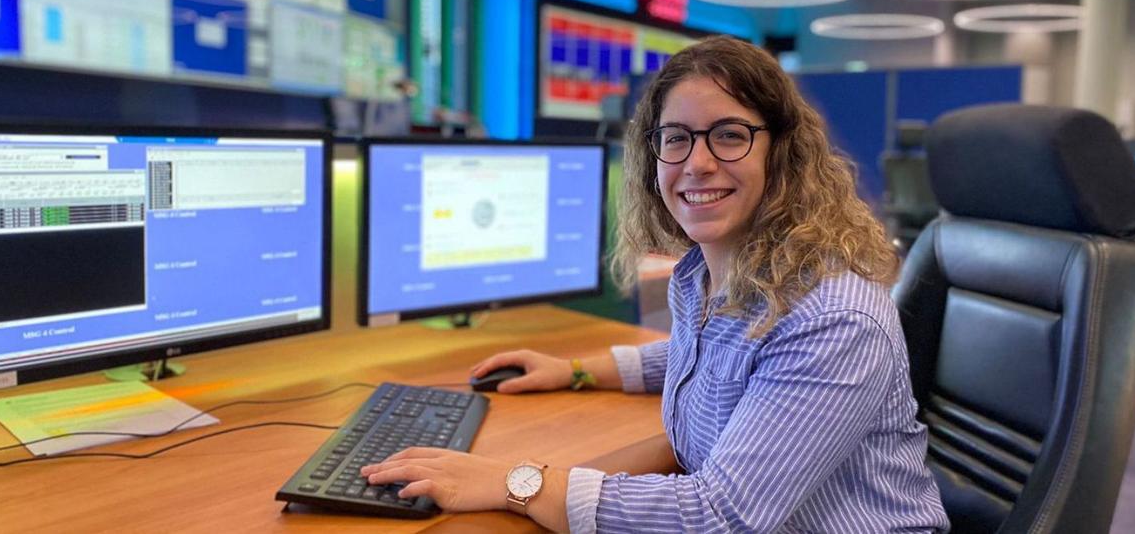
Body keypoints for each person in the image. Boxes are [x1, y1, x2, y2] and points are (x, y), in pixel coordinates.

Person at [360, 35, 950, 533]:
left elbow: (720, 517)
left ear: (783, 154)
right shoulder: (706, 274)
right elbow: (707, 358)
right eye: (677, 138)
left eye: (729, 134)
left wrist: (516, 482)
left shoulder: (831, 317)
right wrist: (576, 371)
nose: (696, 163)